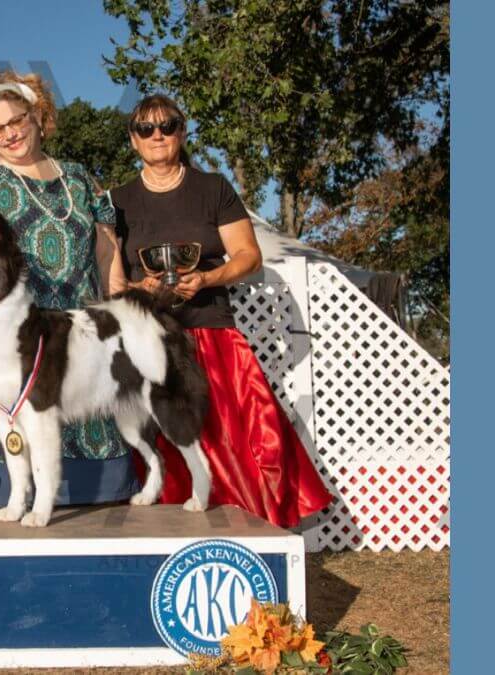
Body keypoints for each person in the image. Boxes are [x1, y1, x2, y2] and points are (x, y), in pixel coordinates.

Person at [110, 94, 333, 528]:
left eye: (167, 126)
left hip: (211, 329)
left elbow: (248, 256)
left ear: (182, 131)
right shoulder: (116, 200)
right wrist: (142, 287)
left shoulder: (213, 188)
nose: (157, 136)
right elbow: (114, 278)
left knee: (238, 440)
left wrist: (208, 279)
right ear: (133, 140)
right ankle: (167, 542)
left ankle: (253, 534)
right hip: (147, 341)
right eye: (146, 129)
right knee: (161, 443)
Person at [0, 71, 137, 507]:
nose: (10, 134)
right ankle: (6, 495)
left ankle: (83, 491)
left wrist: (118, 305)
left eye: (17, 121)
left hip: (71, 332)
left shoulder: (80, 177)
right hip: (4, 332)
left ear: (38, 116)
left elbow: (106, 248)